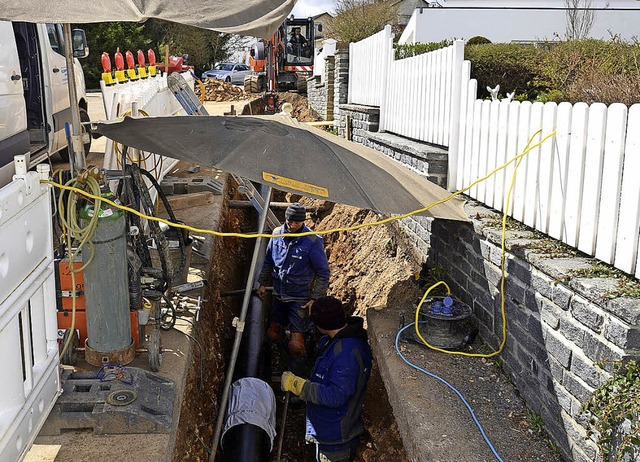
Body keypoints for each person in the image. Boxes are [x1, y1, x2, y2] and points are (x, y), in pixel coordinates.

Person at [280, 296, 372, 462]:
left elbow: (336, 395)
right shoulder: (334, 340)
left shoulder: (346, 354)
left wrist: (298, 385)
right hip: (323, 426)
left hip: (334, 439)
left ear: (322, 323)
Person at [257, 202, 330, 357]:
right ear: (286, 219)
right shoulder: (277, 234)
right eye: (290, 221)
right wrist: (262, 284)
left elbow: (323, 272)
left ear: (303, 221)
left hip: (300, 299)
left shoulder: (312, 241)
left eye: (297, 222)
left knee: (296, 344)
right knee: (273, 334)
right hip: (278, 295)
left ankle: (300, 367)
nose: (293, 225)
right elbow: (268, 261)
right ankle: (281, 357)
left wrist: (315, 298)